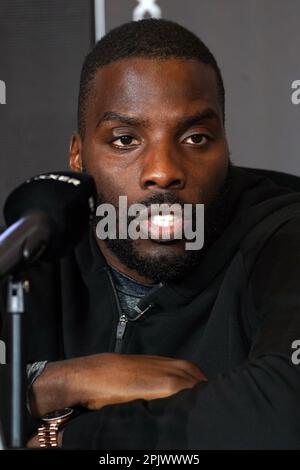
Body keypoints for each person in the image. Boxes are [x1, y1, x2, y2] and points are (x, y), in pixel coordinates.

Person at [1, 18, 300, 450]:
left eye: (196, 138)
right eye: (125, 140)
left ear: (226, 148)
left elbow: (283, 411)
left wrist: (65, 440)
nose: (163, 171)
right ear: (78, 157)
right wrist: (57, 381)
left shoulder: (281, 233)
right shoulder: (38, 243)